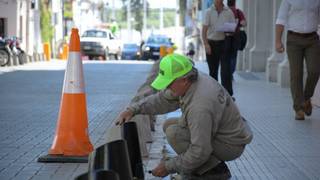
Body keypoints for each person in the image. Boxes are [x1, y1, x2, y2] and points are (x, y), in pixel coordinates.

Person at [116, 54, 253, 179]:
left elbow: (200, 150)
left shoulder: (200, 106)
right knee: (169, 124)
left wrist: (169, 167)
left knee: (174, 133)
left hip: (230, 145)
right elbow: (163, 99)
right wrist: (133, 110)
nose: (167, 87)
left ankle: (214, 170)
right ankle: (206, 166)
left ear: (184, 80)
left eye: (169, 83)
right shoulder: (193, 80)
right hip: (226, 132)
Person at [275, 0, 320, 120]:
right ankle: (298, 108)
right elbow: (281, 19)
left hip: (313, 39)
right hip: (294, 39)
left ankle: (306, 99)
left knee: (315, 70)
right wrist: (278, 41)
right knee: (296, 74)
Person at [202, 0, 236, 97]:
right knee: (213, 71)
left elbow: (233, 29)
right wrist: (206, 44)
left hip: (224, 43)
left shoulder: (228, 12)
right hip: (211, 44)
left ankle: (228, 95)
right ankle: (214, 95)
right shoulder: (209, 12)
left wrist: (229, 30)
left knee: (226, 71)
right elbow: (204, 30)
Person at [227, 0, 247, 78]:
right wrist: (240, 23)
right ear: (234, 3)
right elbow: (244, 23)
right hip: (236, 37)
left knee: (226, 56)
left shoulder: (224, 12)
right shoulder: (238, 12)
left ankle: (228, 72)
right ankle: (230, 73)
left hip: (226, 37)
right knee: (233, 56)